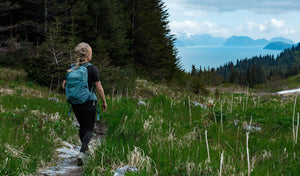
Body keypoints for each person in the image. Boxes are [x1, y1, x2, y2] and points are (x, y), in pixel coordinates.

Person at [62, 42, 107, 166]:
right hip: (89, 102)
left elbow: (63, 85)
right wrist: (104, 101)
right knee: (89, 128)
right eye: (91, 53)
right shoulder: (92, 68)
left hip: (75, 103)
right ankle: (83, 152)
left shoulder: (71, 68)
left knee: (82, 126)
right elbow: (99, 88)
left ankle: (84, 151)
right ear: (88, 54)